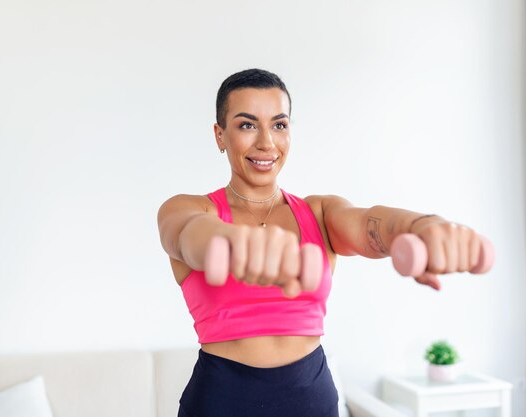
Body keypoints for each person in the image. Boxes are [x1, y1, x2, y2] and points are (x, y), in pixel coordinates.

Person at [157, 68, 485, 417]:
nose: (267, 142)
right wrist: (233, 243)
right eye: (247, 124)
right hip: (221, 402)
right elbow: (188, 235)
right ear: (220, 135)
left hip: (311, 401)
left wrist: (420, 226)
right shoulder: (189, 208)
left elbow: (370, 223)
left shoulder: (318, 213)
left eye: (279, 125)